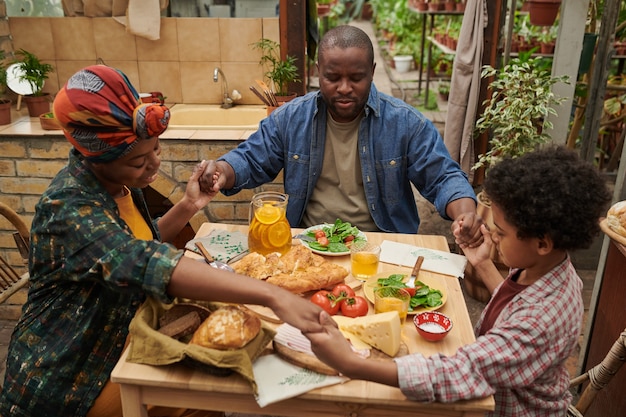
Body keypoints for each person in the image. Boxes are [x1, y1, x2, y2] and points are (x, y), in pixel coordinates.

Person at [0, 65, 323, 417]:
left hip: (121, 343)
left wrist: (188, 206)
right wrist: (272, 294)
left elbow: (144, 238)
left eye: (155, 149)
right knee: (214, 393)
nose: (154, 164)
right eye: (139, 160)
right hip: (74, 374)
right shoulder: (68, 208)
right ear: (97, 160)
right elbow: (147, 261)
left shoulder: (120, 187)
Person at [305, 146, 612, 417]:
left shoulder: (542, 317)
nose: (491, 235)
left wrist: (352, 364)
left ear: (542, 243)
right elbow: (513, 304)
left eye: (501, 233)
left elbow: (463, 372)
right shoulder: (547, 268)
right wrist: (481, 262)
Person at [201, 25, 483, 246]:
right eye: (333, 77)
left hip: (383, 245)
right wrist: (222, 172)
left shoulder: (405, 123)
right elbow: (250, 159)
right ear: (318, 72)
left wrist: (465, 214)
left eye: (356, 77)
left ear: (372, 73)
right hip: (308, 243)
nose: (344, 88)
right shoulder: (291, 119)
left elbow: (443, 176)